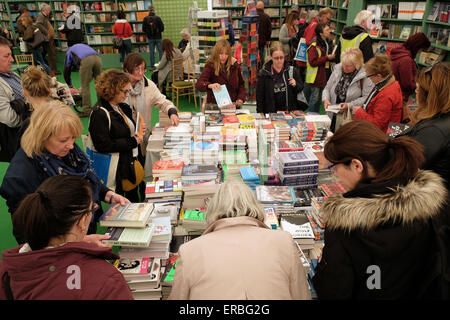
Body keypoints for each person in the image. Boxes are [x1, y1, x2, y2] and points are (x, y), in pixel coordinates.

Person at [311, 120, 449, 299]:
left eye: (334, 166)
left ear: (357, 165)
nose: (335, 173)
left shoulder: (345, 227)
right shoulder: (433, 205)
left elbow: (334, 291)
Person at [0, 102, 128, 242]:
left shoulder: (64, 150)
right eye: (64, 140)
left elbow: (86, 177)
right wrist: (77, 241)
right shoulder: (20, 177)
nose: (72, 145)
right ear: (43, 136)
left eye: (73, 138)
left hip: (84, 229)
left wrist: (107, 194)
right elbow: (27, 235)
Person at [169, 179, 311, 300]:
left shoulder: (189, 251)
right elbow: (301, 295)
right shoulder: (283, 241)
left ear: (213, 209)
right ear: (255, 206)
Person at [0, 175, 133, 300]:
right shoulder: (107, 281)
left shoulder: (7, 271)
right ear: (81, 221)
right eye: (92, 208)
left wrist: (77, 242)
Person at [89, 69, 146, 203]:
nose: (127, 95)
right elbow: (103, 145)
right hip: (116, 169)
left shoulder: (121, 106)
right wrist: (133, 141)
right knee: (118, 206)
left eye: (128, 90)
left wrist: (136, 130)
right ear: (111, 90)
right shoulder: (99, 114)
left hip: (127, 164)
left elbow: (125, 129)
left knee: (132, 201)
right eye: (124, 91)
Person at [400, 62, 450, 188]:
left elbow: (402, 170)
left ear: (430, 95)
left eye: (420, 87)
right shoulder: (441, 120)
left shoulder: (434, 130)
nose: (416, 89)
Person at [123, 53, 179, 154]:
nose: (141, 73)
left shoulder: (148, 85)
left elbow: (162, 101)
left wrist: (172, 111)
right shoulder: (119, 86)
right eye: (137, 69)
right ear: (127, 69)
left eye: (143, 69)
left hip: (143, 135)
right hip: (124, 138)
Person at [322, 47, 374, 131]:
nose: (345, 67)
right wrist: (326, 99)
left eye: (348, 66)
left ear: (357, 64)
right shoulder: (337, 69)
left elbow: (367, 97)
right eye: (343, 64)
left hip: (349, 117)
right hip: (332, 113)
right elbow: (327, 88)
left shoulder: (365, 75)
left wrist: (349, 105)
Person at [350, 54, 402, 133]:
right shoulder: (388, 83)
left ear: (378, 76)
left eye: (370, 76)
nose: (369, 79)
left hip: (379, 135)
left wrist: (359, 112)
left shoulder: (386, 95)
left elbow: (377, 124)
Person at [390, 32, 431, 121]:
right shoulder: (406, 60)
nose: (420, 52)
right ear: (417, 47)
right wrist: (418, 86)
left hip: (395, 93)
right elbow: (407, 83)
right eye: (421, 49)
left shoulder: (399, 52)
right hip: (401, 95)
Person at [0, 36, 28, 162]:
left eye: (11, 55)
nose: (12, 60)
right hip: (20, 138)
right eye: (6, 56)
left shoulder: (11, 74)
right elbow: (10, 119)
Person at [256, 42, 304, 114]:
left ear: (284, 56)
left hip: (289, 113)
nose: (279, 61)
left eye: (281, 58)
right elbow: (259, 97)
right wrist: (260, 113)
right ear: (271, 57)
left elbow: (300, 88)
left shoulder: (292, 71)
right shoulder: (264, 74)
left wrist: (295, 84)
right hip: (270, 113)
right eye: (276, 58)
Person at [196, 39, 246, 108]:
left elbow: (241, 84)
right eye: (221, 53)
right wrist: (210, 85)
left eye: (226, 54)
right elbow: (199, 84)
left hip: (233, 106)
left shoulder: (235, 65)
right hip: (215, 106)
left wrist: (240, 98)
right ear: (216, 53)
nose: (224, 56)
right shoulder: (210, 65)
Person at [63, 43, 102, 117]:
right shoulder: (80, 46)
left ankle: (87, 111)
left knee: (85, 86)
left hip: (86, 60)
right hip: (97, 58)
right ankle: (102, 105)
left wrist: (69, 84)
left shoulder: (69, 52)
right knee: (99, 84)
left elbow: (66, 70)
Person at [304, 22, 335, 113]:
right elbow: (312, 62)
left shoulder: (328, 42)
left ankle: (315, 116)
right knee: (315, 99)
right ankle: (311, 117)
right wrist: (327, 58)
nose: (329, 31)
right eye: (327, 29)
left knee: (319, 99)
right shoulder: (314, 45)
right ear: (321, 33)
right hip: (316, 77)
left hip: (324, 74)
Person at [35, 3, 59, 76]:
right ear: (45, 10)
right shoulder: (41, 16)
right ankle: (52, 70)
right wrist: (46, 32)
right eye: (49, 10)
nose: (50, 11)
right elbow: (38, 24)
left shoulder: (44, 16)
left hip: (48, 38)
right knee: (51, 53)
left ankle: (52, 69)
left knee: (50, 53)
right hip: (46, 38)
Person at [256, 1, 272, 69]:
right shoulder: (266, 17)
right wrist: (268, 39)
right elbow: (269, 30)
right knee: (262, 56)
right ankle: (261, 68)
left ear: (256, 7)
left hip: (252, 41)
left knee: (254, 57)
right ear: (263, 8)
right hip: (263, 41)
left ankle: (255, 69)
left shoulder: (252, 16)